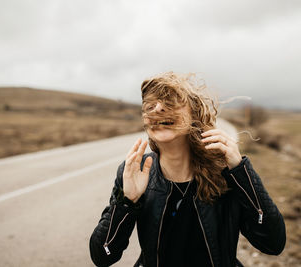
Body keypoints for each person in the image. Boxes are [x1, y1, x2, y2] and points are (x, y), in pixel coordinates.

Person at [89, 72, 286, 267]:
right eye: (150, 106)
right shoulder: (136, 171)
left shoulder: (225, 172)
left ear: (194, 115)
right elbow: (103, 256)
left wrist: (241, 171)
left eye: (170, 102)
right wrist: (127, 202)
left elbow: (273, 243)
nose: (157, 108)